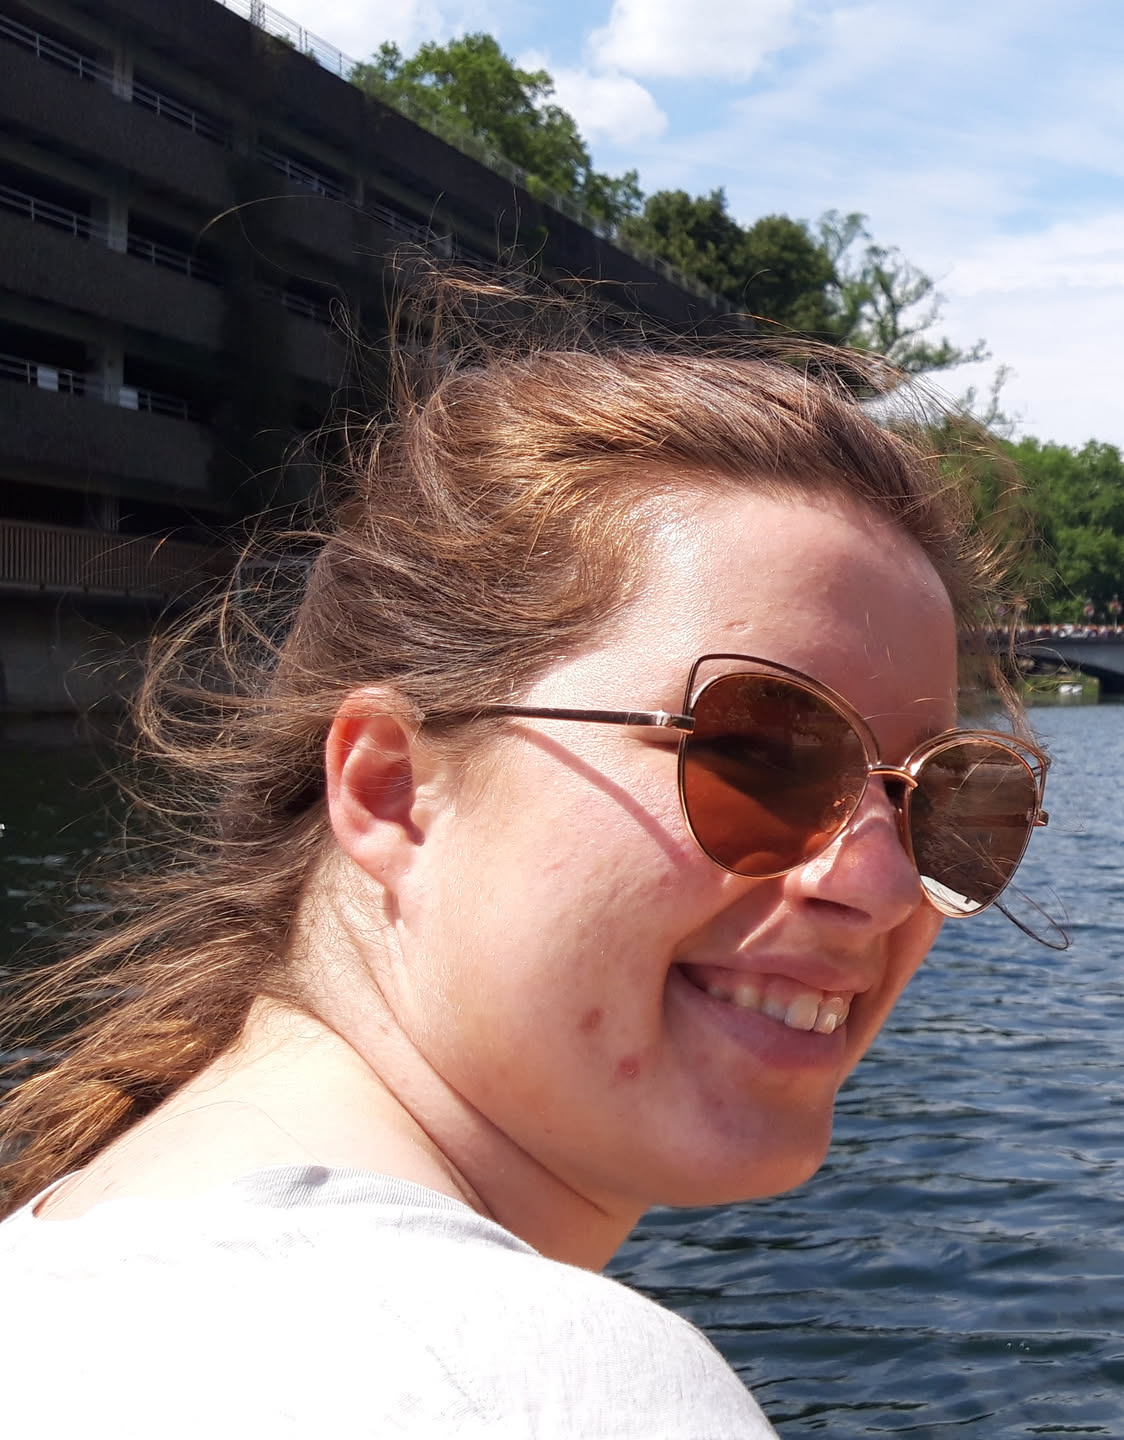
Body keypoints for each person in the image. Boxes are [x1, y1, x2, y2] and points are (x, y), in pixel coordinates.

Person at [0, 273, 1048, 1435]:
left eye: (946, 801)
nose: (884, 886)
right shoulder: (552, 1390)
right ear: (391, 789)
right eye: (757, 755)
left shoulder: (70, 1264)